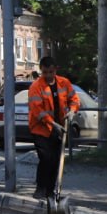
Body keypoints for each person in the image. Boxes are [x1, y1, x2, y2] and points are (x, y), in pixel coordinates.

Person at [27, 56, 80, 200]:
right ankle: (40, 188)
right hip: (40, 128)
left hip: (59, 128)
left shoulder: (64, 83)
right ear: (41, 71)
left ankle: (50, 191)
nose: (48, 75)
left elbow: (74, 100)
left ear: (55, 69)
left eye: (51, 72)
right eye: (45, 72)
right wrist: (53, 124)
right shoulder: (36, 87)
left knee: (56, 160)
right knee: (46, 158)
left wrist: (72, 111)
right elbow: (38, 111)